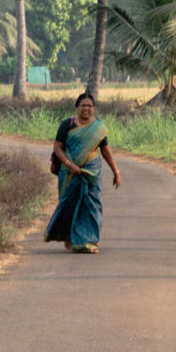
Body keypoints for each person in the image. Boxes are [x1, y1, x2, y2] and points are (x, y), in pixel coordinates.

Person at [45, 92, 121, 254]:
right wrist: (69, 164)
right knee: (70, 205)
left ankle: (90, 241)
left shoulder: (98, 128)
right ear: (77, 107)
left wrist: (116, 171)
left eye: (89, 106)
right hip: (69, 173)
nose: (86, 109)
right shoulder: (68, 124)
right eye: (83, 105)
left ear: (93, 108)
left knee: (92, 206)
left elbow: (105, 151)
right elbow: (57, 148)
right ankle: (71, 239)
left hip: (91, 172)